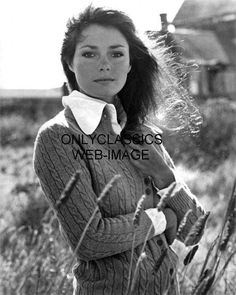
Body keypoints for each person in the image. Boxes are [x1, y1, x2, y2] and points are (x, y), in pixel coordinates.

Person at [33, 5, 205, 295]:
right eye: (89, 53)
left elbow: (195, 231)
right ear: (70, 62)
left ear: (129, 63)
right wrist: (163, 219)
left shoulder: (144, 133)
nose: (105, 64)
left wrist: (164, 176)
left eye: (116, 53)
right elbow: (90, 240)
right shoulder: (59, 136)